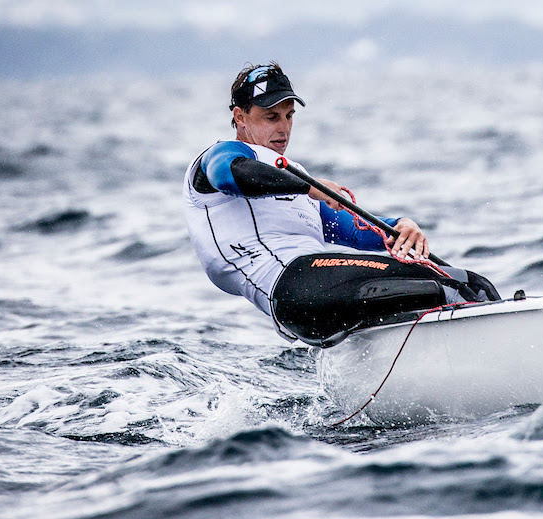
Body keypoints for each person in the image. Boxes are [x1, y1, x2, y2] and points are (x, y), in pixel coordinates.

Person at [183, 62, 498, 346]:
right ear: (240, 116)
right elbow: (232, 175)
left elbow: (356, 229)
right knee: (456, 287)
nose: (283, 128)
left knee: (469, 282)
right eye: (271, 117)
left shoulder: (293, 174)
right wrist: (310, 187)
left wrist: (399, 225)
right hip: (294, 286)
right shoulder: (219, 157)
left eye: (289, 116)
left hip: (321, 289)